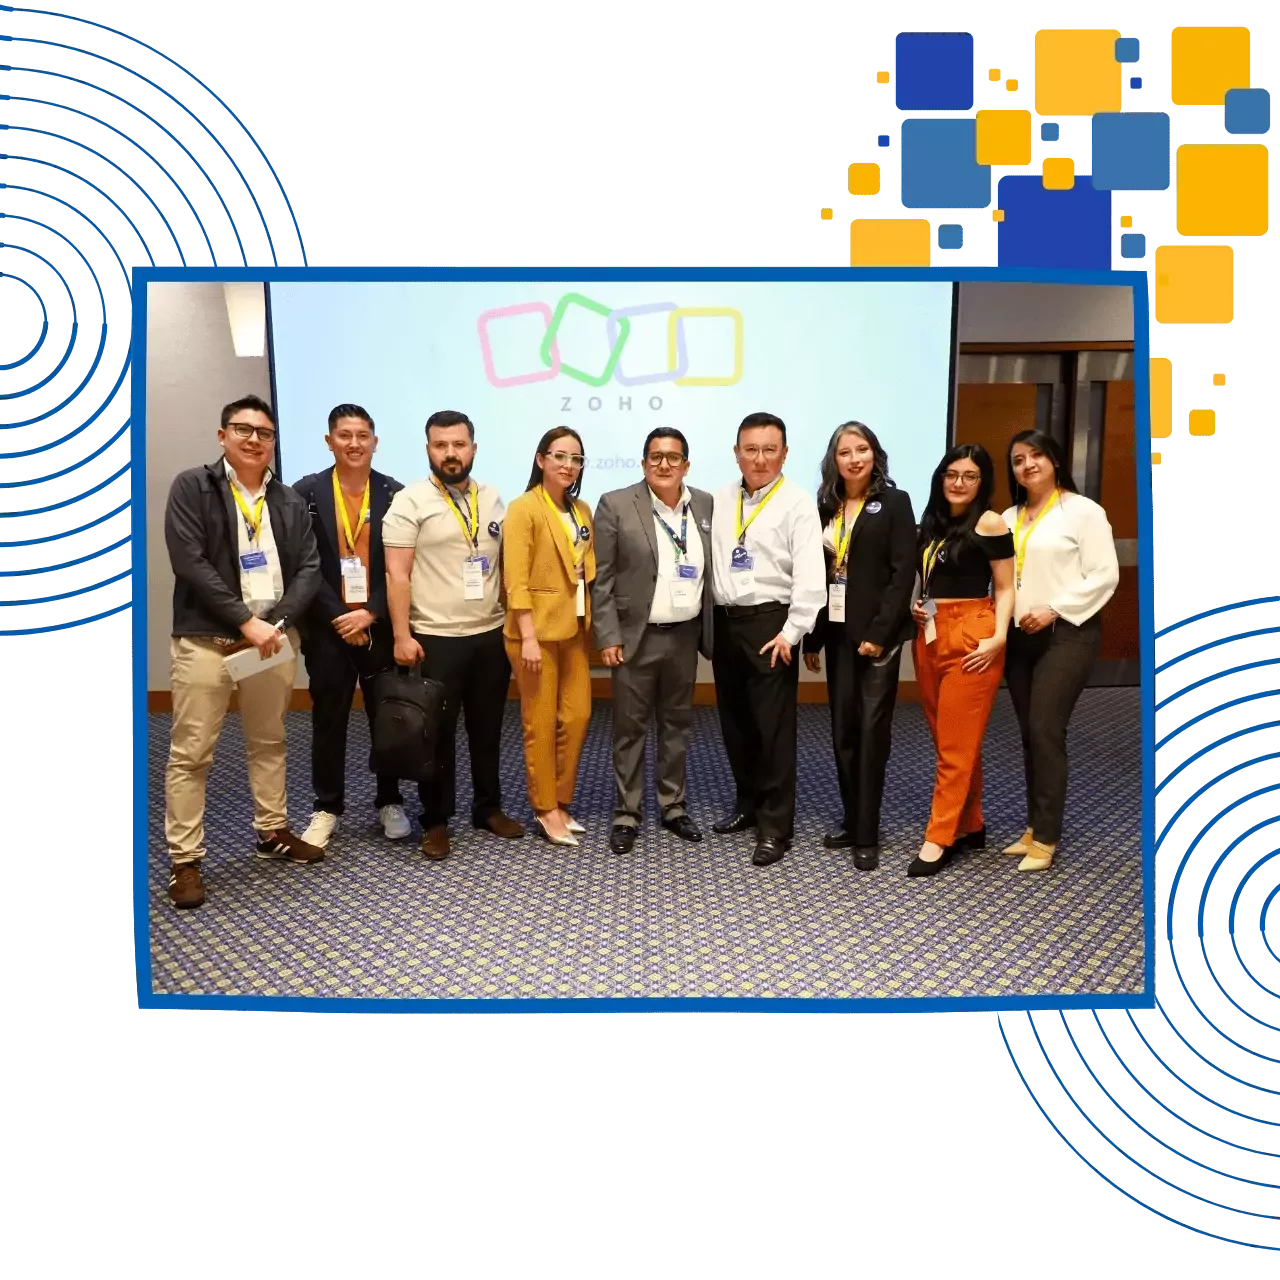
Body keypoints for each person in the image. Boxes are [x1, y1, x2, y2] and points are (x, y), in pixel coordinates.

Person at [163, 393, 324, 909]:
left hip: (270, 642)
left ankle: (272, 830)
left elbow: (309, 569)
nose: (255, 439)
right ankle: (185, 860)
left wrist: (275, 624)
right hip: (206, 641)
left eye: (265, 433)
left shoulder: (289, 501)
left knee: (270, 739)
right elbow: (189, 561)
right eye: (243, 429)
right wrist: (243, 620)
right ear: (222, 435)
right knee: (192, 754)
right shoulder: (193, 487)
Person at [383, 410, 525, 859]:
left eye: (459, 445)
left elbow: (505, 565)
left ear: (473, 449)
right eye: (440, 445)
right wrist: (401, 636)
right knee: (437, 736)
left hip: (489, 635)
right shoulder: (409, 501)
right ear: (428, 449)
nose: (450, 453)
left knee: (487, 730)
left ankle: (488, 808)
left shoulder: (494, 498)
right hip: (435, 637)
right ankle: (436, 820)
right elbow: (396, 575)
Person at [292, 404, 410, 850]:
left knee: (388, 717)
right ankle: (327, 806)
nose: (354, 444)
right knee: (329, 717)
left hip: (378, 624)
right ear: (329, 441)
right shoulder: (305, 492)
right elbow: (302, 564)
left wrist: (370, 612)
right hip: (328, 627)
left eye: (363, 435)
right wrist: (341, 615)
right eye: (345, 435)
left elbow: (401, 566)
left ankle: (389, 800)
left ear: (375, 442)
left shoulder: (395, 494)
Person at [1000, 429, 1119, 873]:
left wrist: (1055, 608)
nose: (1027, 465)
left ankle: (1047, 837)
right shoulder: (1009, 517)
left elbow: (1104, 575)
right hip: (1019, 638)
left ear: (1054, 460)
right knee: (1030, 734)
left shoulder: (1083, 512)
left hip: (1067, 634)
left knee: (1046, 728)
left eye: (1036, 456)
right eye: (1018, 460)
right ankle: (1034, 827)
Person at [591, 428, 714, 855]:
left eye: (673, 457)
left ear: (686, 465)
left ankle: (673, 806)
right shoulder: (615, 504)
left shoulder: (704, 504)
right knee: (630, 730)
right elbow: (602, 579)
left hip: (684, 636)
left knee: (677, 726)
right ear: (644, 463)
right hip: (634, 638)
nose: (664, 464)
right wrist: (608, 634)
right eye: (656, 457)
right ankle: (627, 813)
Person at [710, 412, 826, 867]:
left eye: (769, 450)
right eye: (751, 449)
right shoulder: (721, 498)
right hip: (727, 623)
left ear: (785, 453)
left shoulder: (797, 504)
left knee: (773, 730)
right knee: (736, 723)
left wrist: (792, 632)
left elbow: (811, 577)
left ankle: (776, 827)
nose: (759, 459)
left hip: (771, 625)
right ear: (736, 452)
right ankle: (748, 805)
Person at [802, 421, 916, 871]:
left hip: (878, 640)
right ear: (834, 459)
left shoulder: (894, 502)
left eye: (862, 449)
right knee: (843, 732)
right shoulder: (826, 505)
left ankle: (867, 833)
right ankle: (852, 819)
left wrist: (880, 633)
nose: (854, 458)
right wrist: (813, 638)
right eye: (845, 452)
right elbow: (818, 575)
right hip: (836, 634)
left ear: (875, 454)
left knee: (871, 733)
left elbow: (902, 573)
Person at [907, 443, 1015, 878]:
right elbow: (931, 579)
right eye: (952, 474)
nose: (959, 483)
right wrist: (919, 605)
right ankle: (971, 823)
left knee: (954, 747)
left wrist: (999, 637)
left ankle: (939, 837)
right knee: (951, 739)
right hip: (930, 631)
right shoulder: (934, 521)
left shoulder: (989, 522)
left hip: (973, 636)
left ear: (982, 481)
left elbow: (1005, 586)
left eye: (970, 476)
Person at [502, 428, 596, 846]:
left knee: (577, 716)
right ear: (541, 460)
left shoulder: (582, 509)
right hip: (533, 633)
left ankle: (561, 798)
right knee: (539, 723)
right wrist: (527, 637)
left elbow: (588, 565)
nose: (568, 465)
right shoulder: (524, 508)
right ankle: (545, 808)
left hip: (572, 628)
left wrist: (581, 569)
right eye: (560, 456)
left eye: (576, 459)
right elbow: (516, 579)